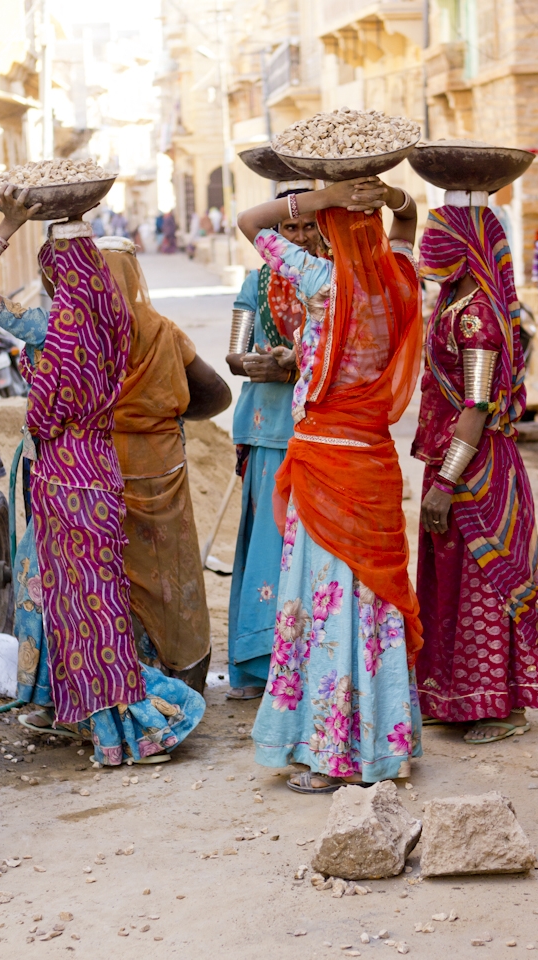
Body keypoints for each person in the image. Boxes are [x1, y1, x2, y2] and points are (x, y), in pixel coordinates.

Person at [0, 185, 204, 764]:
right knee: (98, 609)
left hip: (60, 477)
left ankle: (120, 727)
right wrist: (73, 223)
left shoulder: (49, 327)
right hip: (100, 474)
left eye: (49, 269)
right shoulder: (114, 322)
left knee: (80, 613)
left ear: (57, 274)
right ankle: (110, 730)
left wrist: (4, 227)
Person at [237, 176, 423, 793]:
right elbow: (406, 227)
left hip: (324, 462)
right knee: (370, 605)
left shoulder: (320, 283)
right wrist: (390, 198)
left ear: (330, 231)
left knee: (325, 604)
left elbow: (249, 222)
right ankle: (381, 745)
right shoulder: (396, 281)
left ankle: (331, 754)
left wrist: (318, 198)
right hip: (370, 461)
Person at [413, 195, 538, 744]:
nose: (428, 248)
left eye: (439, 237)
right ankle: (452, 695)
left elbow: (476, 407)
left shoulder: (477, 318)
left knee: (483, 584)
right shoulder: (451, 302)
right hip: (452, 463)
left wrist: (446, 482)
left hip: (473, 471)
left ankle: (500, 706)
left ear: (467, 248)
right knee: (447, 583)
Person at [96, 236, 231, 694]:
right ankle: (183, 673)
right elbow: (216, 393)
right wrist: (164, 412)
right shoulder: (161, 331)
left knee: (115, 574)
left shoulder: (79, 333)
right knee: (171, 570)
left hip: (101, 470)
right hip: (163, 471)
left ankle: (124, 679)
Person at [226, 179, 321, 700]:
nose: (301, 235)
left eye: (309, 225)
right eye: (291, 226)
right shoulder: (256, 283)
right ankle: (261, 663)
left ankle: (311, 659)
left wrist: (297, 368)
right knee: (268, 543)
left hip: (318, 431)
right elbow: (235, 355)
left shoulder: (332, 281)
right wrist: (259, 364)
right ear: (274, 231)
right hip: (267, 430)